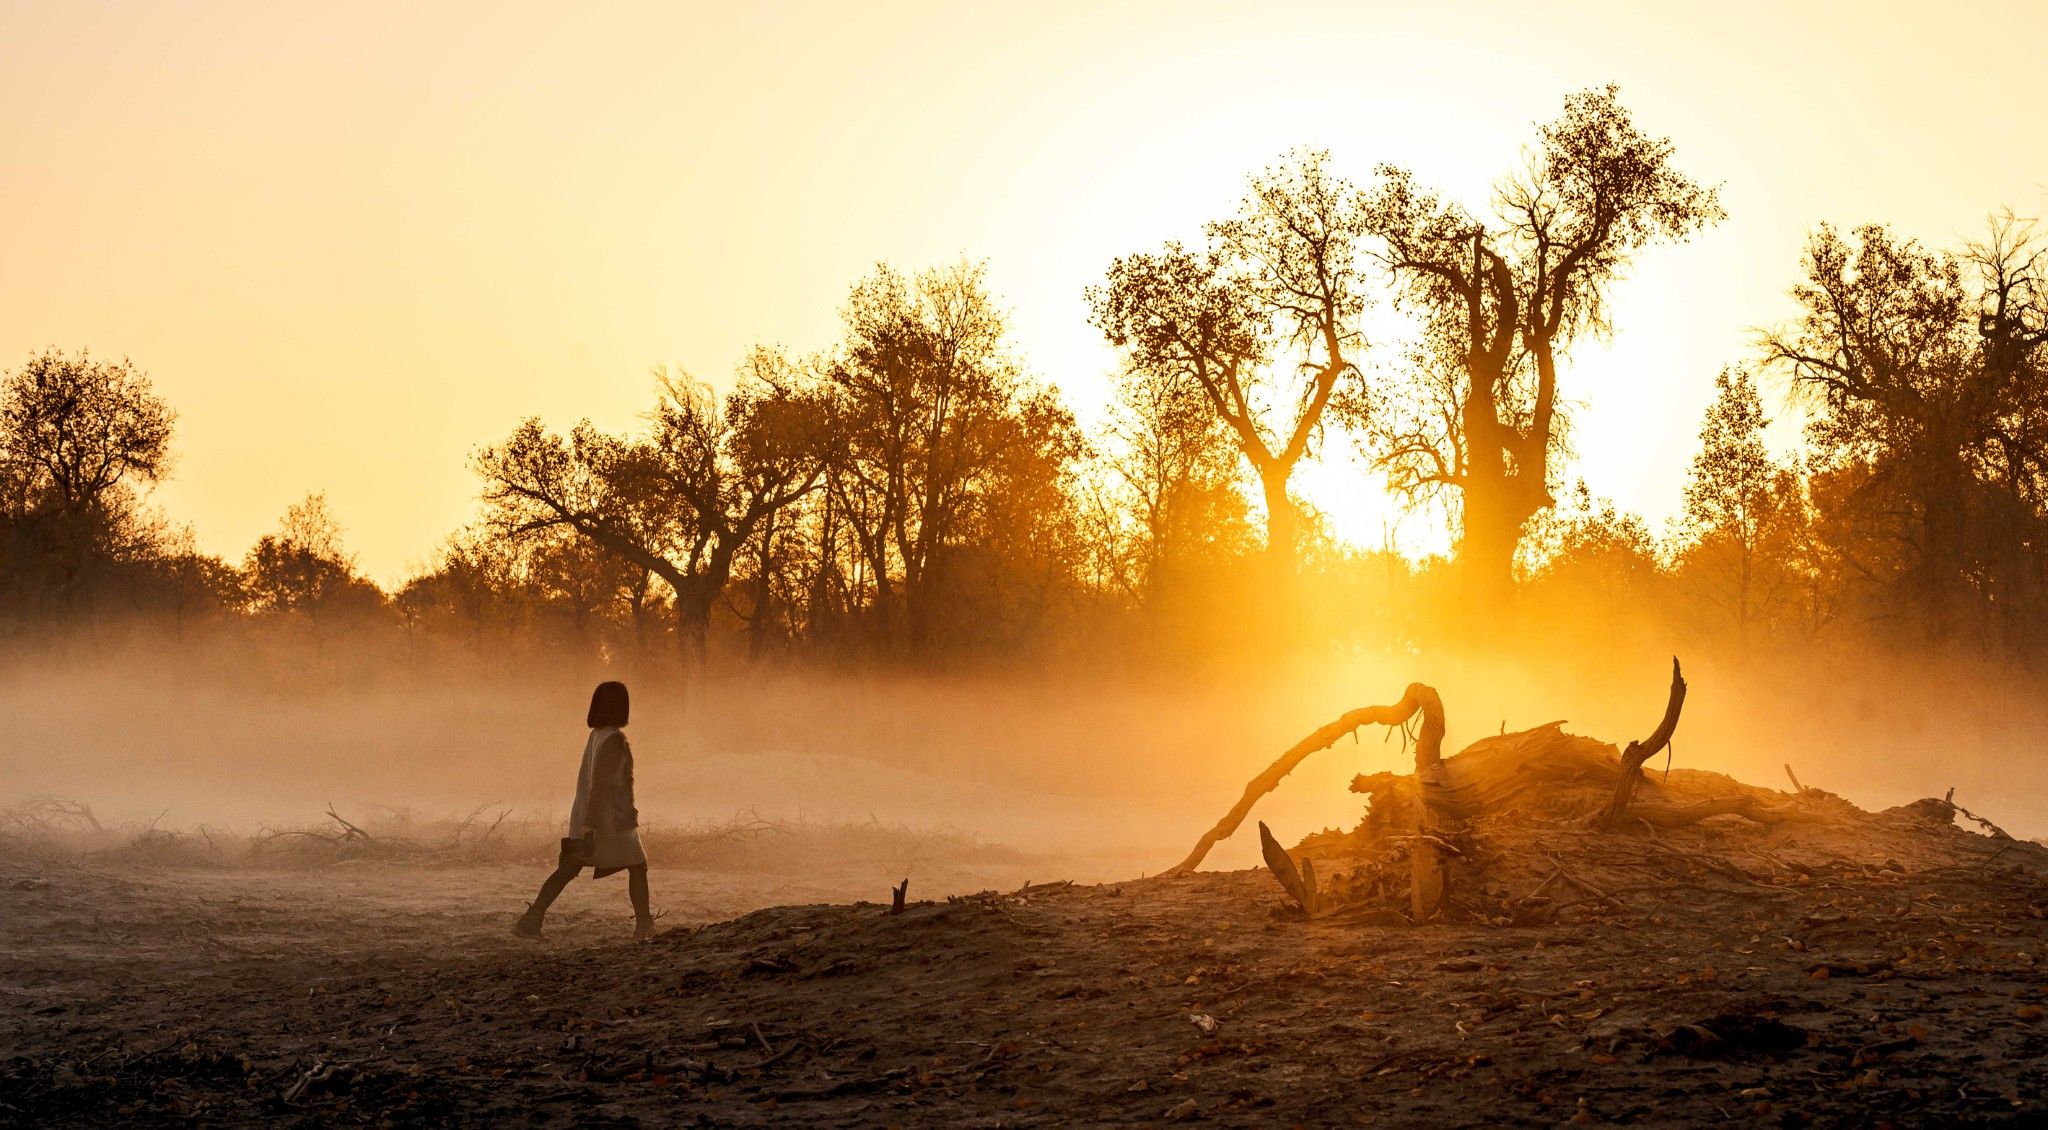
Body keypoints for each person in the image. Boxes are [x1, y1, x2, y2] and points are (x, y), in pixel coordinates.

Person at [513, 680, 654, 940]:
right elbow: (601, 784)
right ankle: (644, 926)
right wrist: (591, 823)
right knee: (637, 865)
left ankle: (531, 919)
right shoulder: (613, 739)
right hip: (611, 819)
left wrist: (585, 821)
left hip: (592, 816)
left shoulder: (597, 735)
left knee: (571, 866)